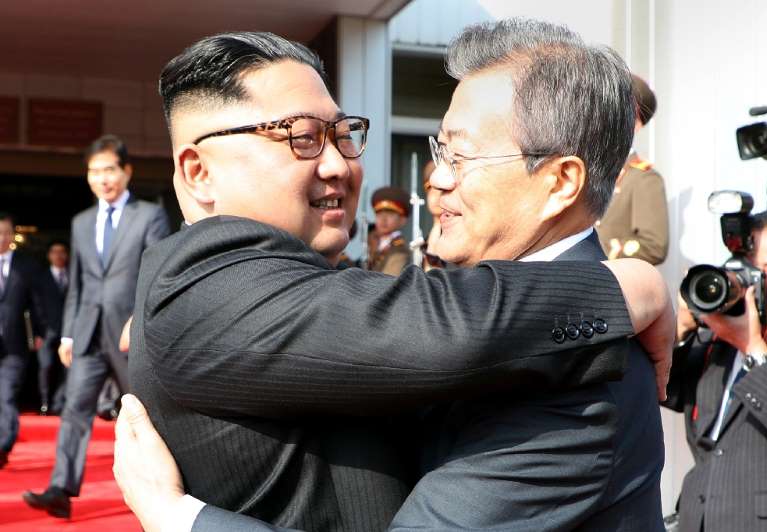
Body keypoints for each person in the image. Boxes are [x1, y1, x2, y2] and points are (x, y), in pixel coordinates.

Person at [114, 26, 673, 532]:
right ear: (198, 172)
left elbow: (427, 325)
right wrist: (628, 287)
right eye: (301, 138)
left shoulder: (581, 379)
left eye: (460, 157)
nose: (436, 180)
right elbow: (433, 324)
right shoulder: (209, 284)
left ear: (559, 182)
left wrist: (180, 519)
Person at [22, 134, 171, 518]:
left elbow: (158, 273)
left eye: (109, 170)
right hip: (87, 333)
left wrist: (141, 319)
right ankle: (60, 489)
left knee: (143, 414)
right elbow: (78, 283)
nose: (102, 179)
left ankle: (168, 491)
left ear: (126, 172)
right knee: (74, 410)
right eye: (94, 172)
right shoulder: (82, 222)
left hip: (128, 333)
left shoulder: (149, 215)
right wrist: (68, 333)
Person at [663, 209, 767, 532]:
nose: (757, 284)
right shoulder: (720, 335)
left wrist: (753, 349)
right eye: (749, 270)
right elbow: (665, 389)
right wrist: (680, 331)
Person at [597, 74, 669, 265]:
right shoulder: (586, 170)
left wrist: (597, 251)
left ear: (635, 123)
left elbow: (654, 245)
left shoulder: (643, 179)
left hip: (607, 277)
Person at [0, 212, 45, 468]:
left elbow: (37, 303)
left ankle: (3, 445)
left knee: (6, 393)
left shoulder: (26, 266)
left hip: (14, 344)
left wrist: (39, 332)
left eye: (6, 233)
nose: (2, 238)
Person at [37, 240, 69, 416]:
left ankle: (59, 402)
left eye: (62, 251)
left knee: (67, 367)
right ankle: (45, 402)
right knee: (46, 366)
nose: (59, 255)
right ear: (49, 255)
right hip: (46, 330)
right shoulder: (41, 277)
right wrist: (37, 332)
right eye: (55, 252)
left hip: (68, 331)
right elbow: (35, 305)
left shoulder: (73, 276)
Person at [368, 186, 412, 275]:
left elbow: (388, 279)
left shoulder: (400, 251)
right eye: (379, 214)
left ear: (402, 220)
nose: (383, 219)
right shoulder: (374, 245)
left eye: (390, 214)